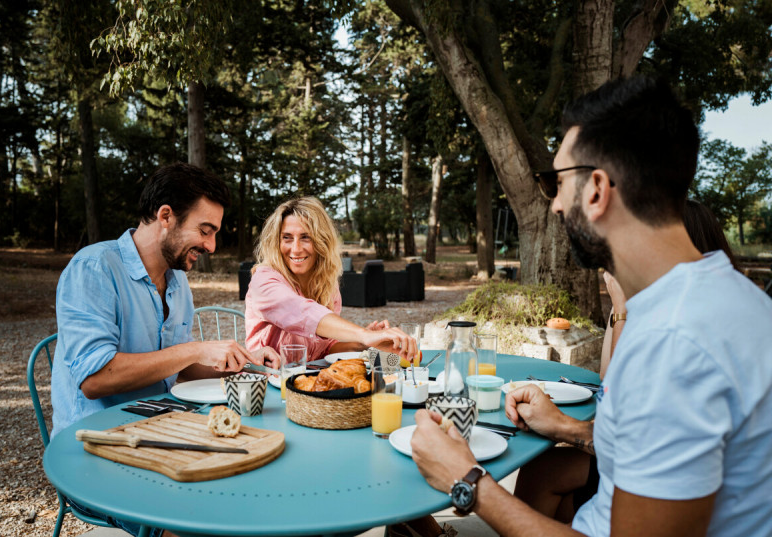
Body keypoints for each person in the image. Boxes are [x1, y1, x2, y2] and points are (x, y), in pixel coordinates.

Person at [410, 76, 772, 537]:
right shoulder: (731, 299)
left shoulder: (673, 342)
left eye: (555, 183)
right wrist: (568, 428)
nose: (555, 205)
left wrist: (467, 481)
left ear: (597, 190)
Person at [51, 163, 280, 537]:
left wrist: (243, 364)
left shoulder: (177, 283)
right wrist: (194, 349)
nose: (211, 246)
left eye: (215, 234)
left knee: (254, 488)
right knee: (200, 521)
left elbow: (178, 368)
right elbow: (93, 379)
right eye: (205, 231)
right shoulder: (94, 268)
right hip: (96, 450)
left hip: (164, 433)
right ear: (166, 217)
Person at [513, 198, 741, 524]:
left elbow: (621, 403)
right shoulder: (650, 302)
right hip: (646, 459)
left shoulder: (688, 325)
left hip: (671, 478)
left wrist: (621, 307)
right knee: (543, 473)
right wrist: (619, 310)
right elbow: (606, 384)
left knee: (544, 477)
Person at [245, 196, 417, 361]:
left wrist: (363, 342)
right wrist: (365, 335)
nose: (296, 249)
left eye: (305, 237)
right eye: (287, 238)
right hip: (264, 384)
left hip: (306, 383)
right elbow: (299, 311)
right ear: (277, 242)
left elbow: (325, 350)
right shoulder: (263, 280)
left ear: (322, 241)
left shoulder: (326, 284)